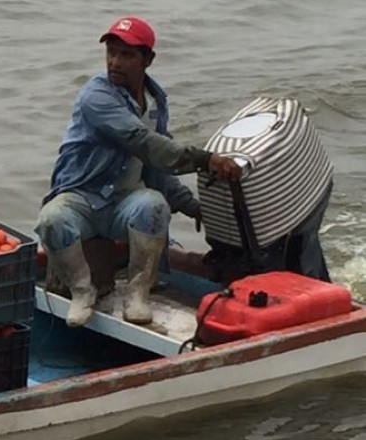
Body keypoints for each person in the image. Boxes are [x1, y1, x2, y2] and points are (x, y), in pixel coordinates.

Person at [35, 16, 242, 328]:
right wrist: (205, 159)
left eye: (127, 55)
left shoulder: (155, 101)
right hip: (82, 198)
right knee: (52, 219)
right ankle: (81, 290)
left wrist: (191, 206)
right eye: (111, 53)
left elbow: (156, 164)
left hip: (124, 201)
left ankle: (138, 292)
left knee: (154, 205)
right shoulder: (96, 96)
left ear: (148, 59)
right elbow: (143, 142)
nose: (115, 62)